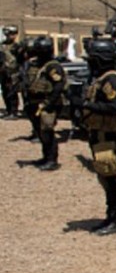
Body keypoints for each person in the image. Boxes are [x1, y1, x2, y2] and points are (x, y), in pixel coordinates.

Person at [82, 37, 116, 235]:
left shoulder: (112, 80)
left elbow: (114, 107)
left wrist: (88, 106)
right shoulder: (102, 79)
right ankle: (110, 215)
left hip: (110, 137)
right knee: (106, 178)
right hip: (100, 136)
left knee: (113, 179)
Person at [24, 35, 66, 171]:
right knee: (40, 131)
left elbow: (59, 85)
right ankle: (45, 156)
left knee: (47, 131)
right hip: (34, 103)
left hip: (47, 103)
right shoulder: (35, 64)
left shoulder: (52, 66)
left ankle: (52, 159)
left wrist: (49, 103)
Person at [0, 26, 22, 119]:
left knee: (12, 92)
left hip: (13, 73)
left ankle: (14, 112)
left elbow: (21, 60)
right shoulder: (2, 46)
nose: (9, 36)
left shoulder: (17, 47)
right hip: (3, 72)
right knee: (5, 92)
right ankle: (9, 111)